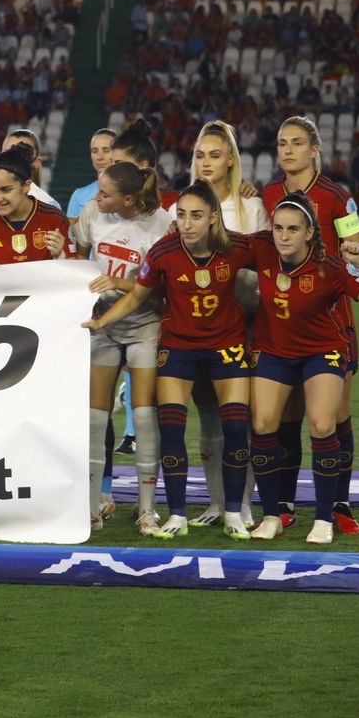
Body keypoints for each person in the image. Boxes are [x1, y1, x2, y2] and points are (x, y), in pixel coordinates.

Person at [85, 181, 254, 540]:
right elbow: (137, 296)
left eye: (196, 216)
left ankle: (235, 512)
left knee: (237, 427)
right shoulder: (163, 251)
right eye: (181, 215)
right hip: (179, 348)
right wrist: (101, 321)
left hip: (226, 347)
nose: (187, 223)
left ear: (212, 218)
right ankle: (176, 514)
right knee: (172, 427)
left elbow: (280, 257)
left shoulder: (239, 247)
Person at [247, 194, 359, 544]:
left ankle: (324, 519)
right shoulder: (260, 248)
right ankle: (270, 515)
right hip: (273, 351)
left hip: (321, 352)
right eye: (278, 228)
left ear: (309, 232)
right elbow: (218, 240)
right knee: (263, 422)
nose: (283, 236)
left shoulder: (329, 265)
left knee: (323, 424)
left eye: (293, 229)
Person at [262, 115, 359, 533]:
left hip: (332, 318)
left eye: (296, 143)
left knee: (336, 412)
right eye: (281, 143)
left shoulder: (337, 199)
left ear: (314, 150)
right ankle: (284, 502)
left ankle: (339, 503)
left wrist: (358, 255)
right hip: (283, 321)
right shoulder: (268, 194)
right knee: (287, 413)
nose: (287, 150)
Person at [73, 160, 175, 532]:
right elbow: (78, 256)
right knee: (95, 418)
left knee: (145, 418)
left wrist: (120, 286)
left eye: (105, 194)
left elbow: (163, 286)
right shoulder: (91, 213)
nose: (96, 198)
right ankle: (90, 508)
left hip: (144, 325)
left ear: (128, 198)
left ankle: (146, 508)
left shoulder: (162, 224)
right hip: (101, 327)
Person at [185, 119, 267, 524]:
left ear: (231, 159)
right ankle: (216, 503)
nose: (206, 163)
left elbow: (263, 269)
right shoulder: (179, 206)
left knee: (241, 418)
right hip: (195, 326)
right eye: (200, 155)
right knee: (208, 415)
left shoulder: (250, 207)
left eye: (215, 155)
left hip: (242, 325)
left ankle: (243, 504)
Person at [0, 148, 72, 271]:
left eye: (6, 189)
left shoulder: (55, 219)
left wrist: (60, 255)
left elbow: (73, 269)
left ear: (26, 186)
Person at [66, 128, 117, 221]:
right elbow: (71, 234)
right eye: (94, 151)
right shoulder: (78, 196)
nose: (99, 157)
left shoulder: (128, 193)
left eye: (106, 150)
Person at [1, 129, 60, 208]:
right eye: (6, 154)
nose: (13, 160)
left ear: (36, 162)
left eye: (21, 154)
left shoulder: (48, 205)